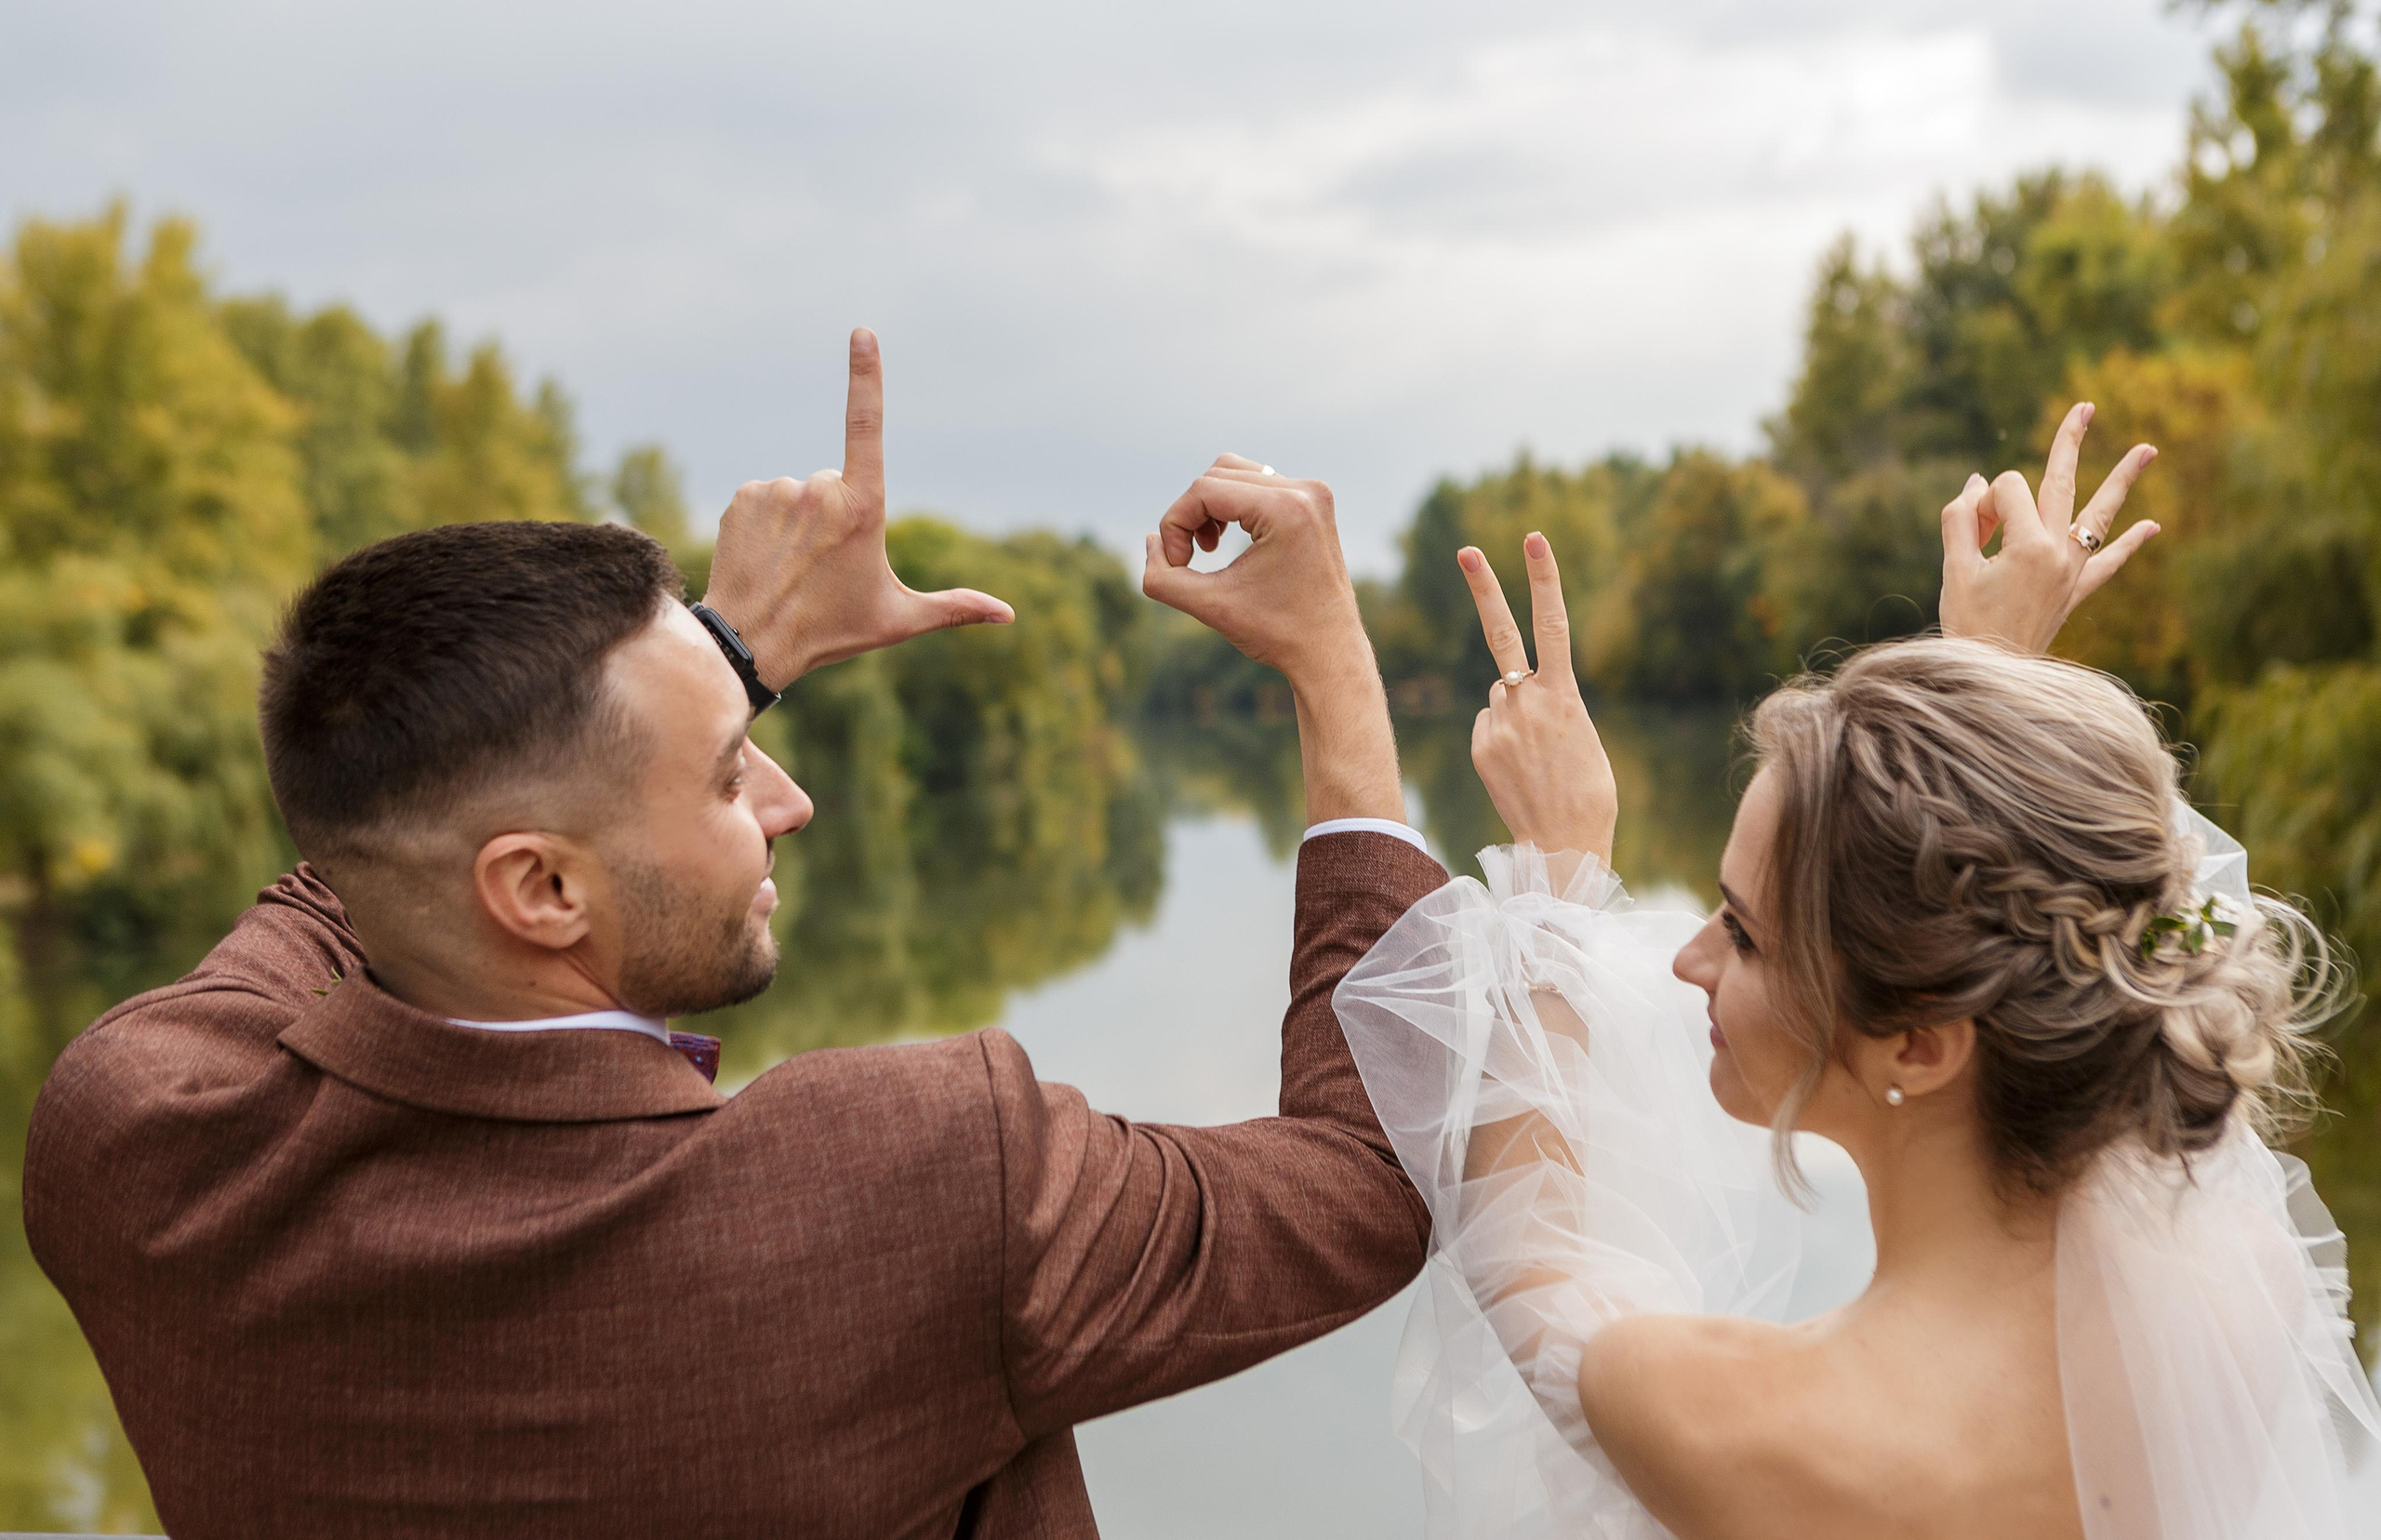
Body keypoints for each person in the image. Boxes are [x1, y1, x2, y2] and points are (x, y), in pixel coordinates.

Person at [22, 329, 1451, 1538]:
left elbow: (361, 849)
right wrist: (1333, 669)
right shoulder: (917, 1192)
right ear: (541, 894)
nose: (790, 797)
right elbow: (1367, 1172)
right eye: (724, 773)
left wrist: (721, 659)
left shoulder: (138, 1135)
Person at [1337, 404, 2381, 1539]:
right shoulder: (2229, 1284)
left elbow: (1525, 1252)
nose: (1686, 956)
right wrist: (1979, 684)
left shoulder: (1754, 1423)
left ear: (1921, 1044)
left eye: (1740, 933)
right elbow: (2074, 871)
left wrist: (1555, 874)